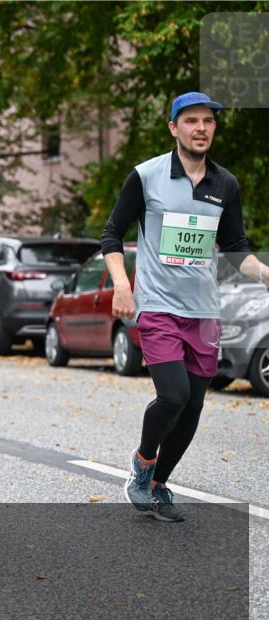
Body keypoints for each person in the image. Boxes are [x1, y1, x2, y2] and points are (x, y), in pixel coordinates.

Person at [102, 92, 269, 522]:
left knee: (193, 405)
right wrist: (123, 286)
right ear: (174, 128)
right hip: (158, 305)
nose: (201, 128)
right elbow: (112, 235)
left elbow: (235, 247)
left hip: (204, 311)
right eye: (191, 121)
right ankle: (142, 465)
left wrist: (265, 272)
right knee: (172, 395)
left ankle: (159, 486)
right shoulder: (146, 176)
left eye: (208, 121)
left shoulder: (225, 184)